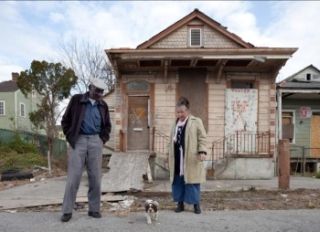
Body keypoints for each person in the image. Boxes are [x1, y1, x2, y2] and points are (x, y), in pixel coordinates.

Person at [60, 78, 111, 222]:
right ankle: (67, 211)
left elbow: (107, 125)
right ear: (90, 88)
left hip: (96, 140)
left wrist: (102, 139)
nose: (99, 94)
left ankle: (94, 209)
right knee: (73, 177)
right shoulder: (77, 100)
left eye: (101, 92)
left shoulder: (103, 105)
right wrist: (71, 137)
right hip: (79, 140)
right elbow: (65, 120)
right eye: (97, 91)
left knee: (95, 177)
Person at [168, 96, 207, 214]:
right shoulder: (175, 123)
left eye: (182, 112)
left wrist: (202, 151)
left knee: (192, 180)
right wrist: (168, 154)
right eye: (178, 112)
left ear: (188, 111)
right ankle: (180, 204)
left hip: (190, 156)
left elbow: (202, 137)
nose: (180, 114)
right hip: (177, 157)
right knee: (178, 180)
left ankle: (196, 205)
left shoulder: (196, 121)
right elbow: (170, 140)